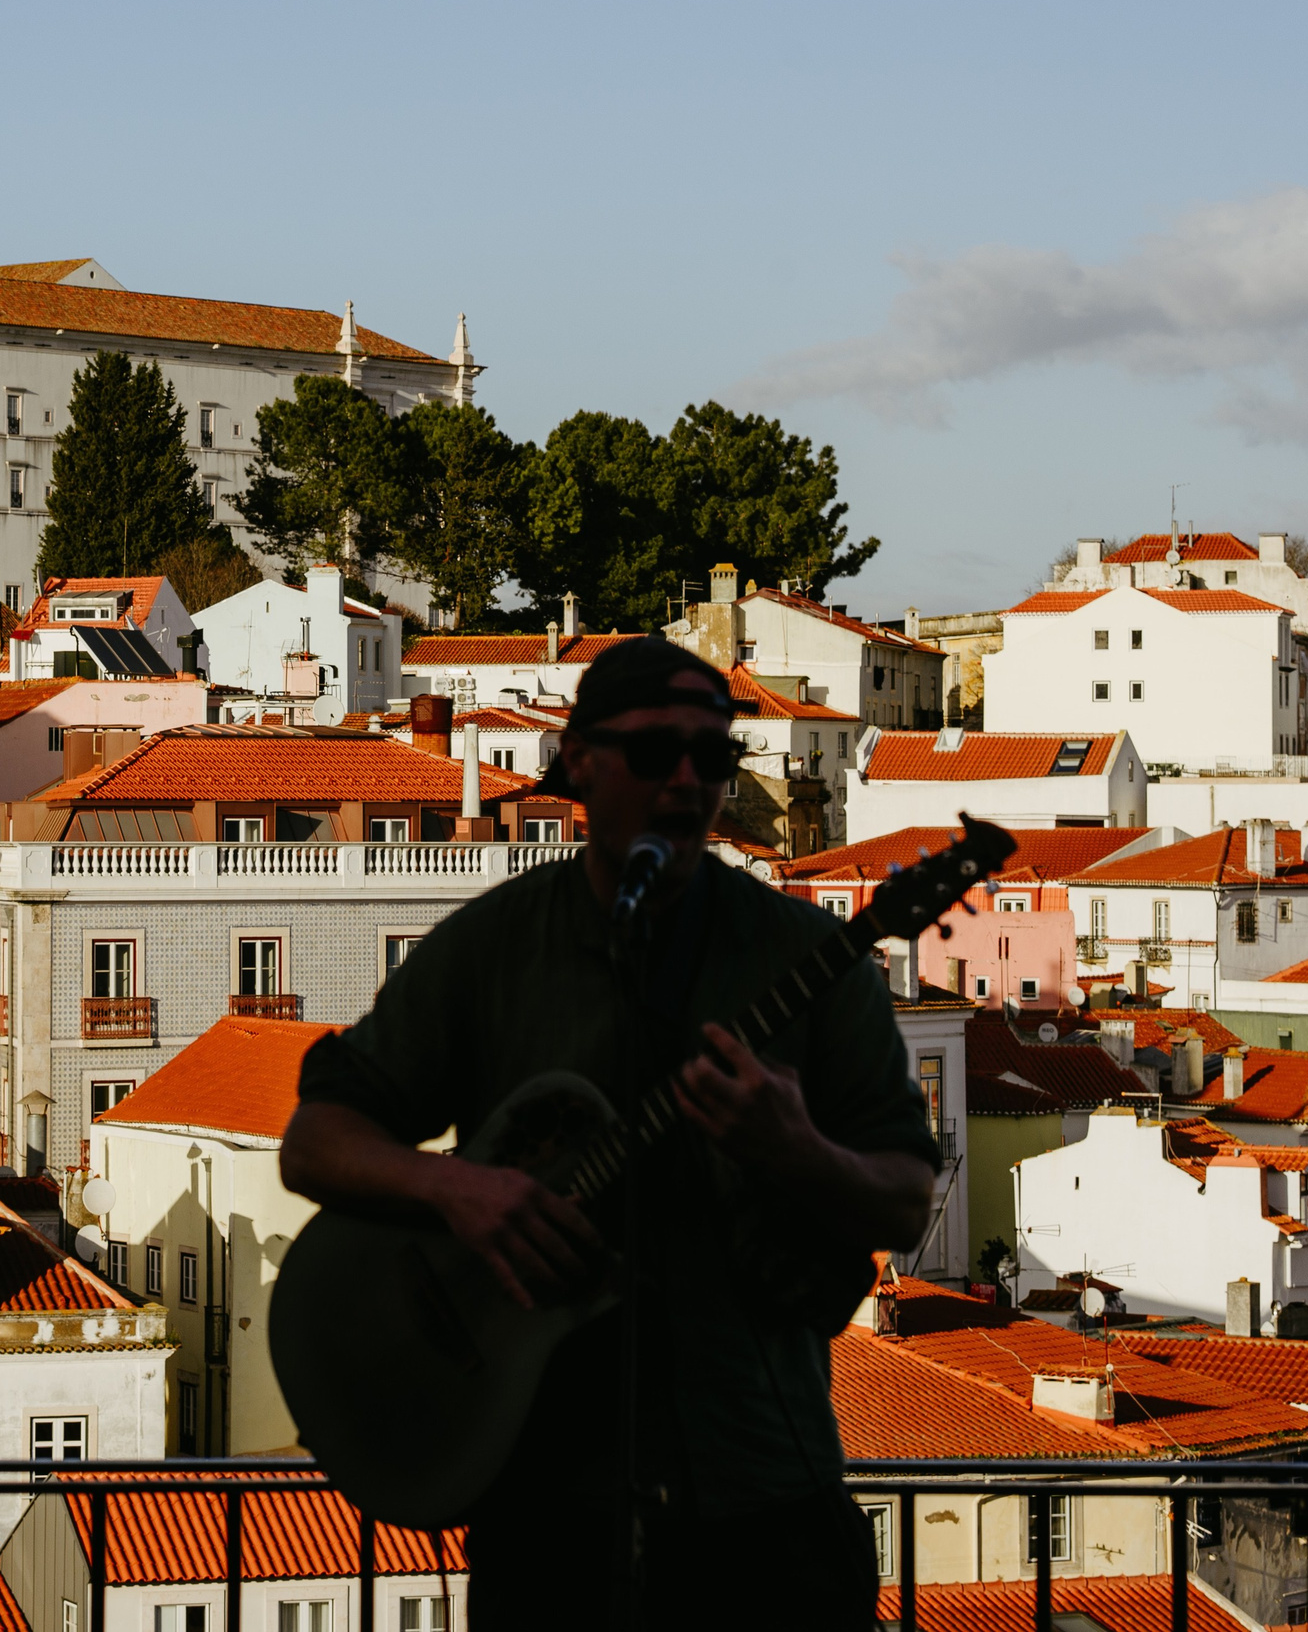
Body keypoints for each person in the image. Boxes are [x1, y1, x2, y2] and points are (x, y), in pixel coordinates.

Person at [279, 637, 939, 1627]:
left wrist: (789, 1141)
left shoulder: (806, 958)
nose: (687, 780)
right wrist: (458, 1192)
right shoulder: (498, 946)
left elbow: (902, 1191)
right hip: (549, 1507)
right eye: (654, 753)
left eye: (712, 759)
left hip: (760, 1498)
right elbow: (316, 1137)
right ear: (578, 764)